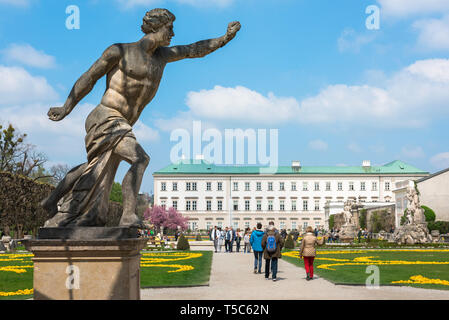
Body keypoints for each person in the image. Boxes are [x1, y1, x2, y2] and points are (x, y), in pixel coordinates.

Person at [41, 9, 241, 228]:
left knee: (95, 167)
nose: (173, 33)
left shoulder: (162, 56)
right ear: (155, 27)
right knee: (140, 158)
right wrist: (66, 107)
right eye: (169, 28)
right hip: (105, 116)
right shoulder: (120, 51)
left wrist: (224, 38)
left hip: (123, 123)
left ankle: (51, 199)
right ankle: (128, 215)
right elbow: (89, 78)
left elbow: (194, 50)